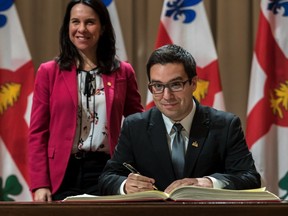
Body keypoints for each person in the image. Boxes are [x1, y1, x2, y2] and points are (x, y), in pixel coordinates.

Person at [98, 44, 261, 195]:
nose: (167, 96)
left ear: (194, 83)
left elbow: (250, 178)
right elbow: (108, 177)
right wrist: (125, 185)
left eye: (176, 85)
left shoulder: (225, 125)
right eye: (158, 86)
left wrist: (207, 183)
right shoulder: (135, 126)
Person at [28, 0, 143, 201]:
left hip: (108, 171)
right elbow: (38, 132)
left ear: (103, 27)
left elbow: (138, 126)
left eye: (90, 22)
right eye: (75, 22)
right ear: (67, 27)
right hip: (62, 173)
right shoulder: (48, 72)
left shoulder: (123, 72)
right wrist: (40, 184)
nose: (81, 29)